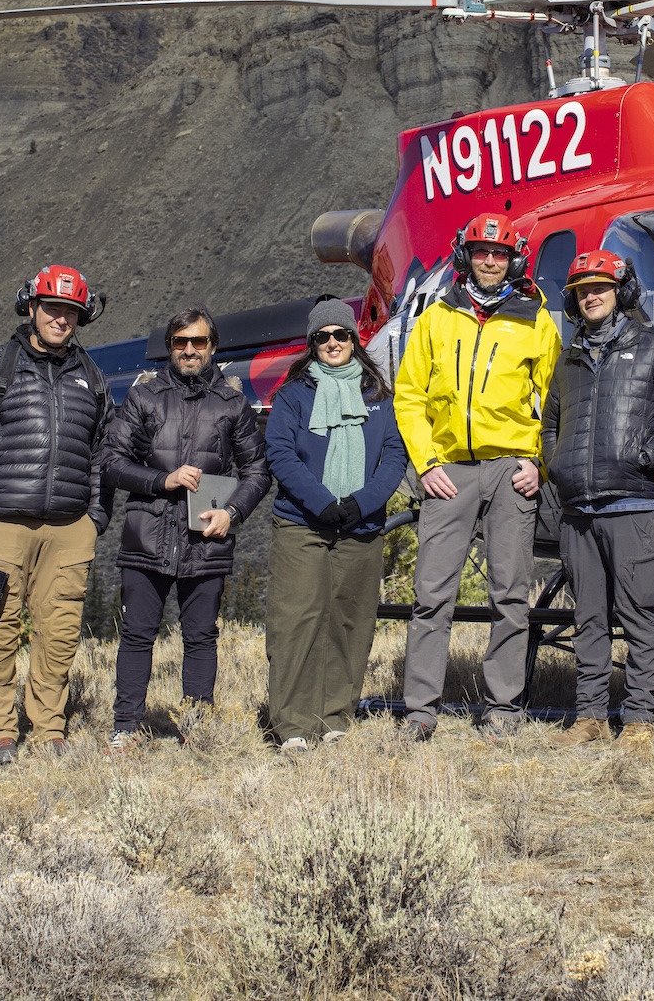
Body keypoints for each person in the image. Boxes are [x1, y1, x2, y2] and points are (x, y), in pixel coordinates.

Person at [392, 212, 563, 740]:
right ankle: (421, 709)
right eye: (482, 252)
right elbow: (409, 396)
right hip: (449, 471)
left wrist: (538, 462)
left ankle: (504, 708)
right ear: (465, 256)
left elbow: (555, 403)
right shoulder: (437, 318)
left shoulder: (536, 321)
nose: (490, 261)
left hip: (511, 470)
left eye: (500, 253)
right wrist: (427, 463)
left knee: (510, 594)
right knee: (431, 594)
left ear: (514, 261)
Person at [0, 265, 111, 765]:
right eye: (53, 308)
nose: (62, 319)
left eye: (71, 312)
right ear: (32, 308)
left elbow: (104, 452)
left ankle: (49, 730)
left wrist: (95, 518)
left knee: (59, 636)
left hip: (70, 530)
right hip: (4, 526)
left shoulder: (91, 377)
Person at [540, 252, 654, 748]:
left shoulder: (653, 352)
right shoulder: (568, 360)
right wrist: (557, 465)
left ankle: (641, 718)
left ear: (620, 293)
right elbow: (549, 426)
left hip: (632, 505)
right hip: (578, 511)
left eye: (600, 288)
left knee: (638, 613)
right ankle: (590, 716)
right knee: (588, 616)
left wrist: (648, 457)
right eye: (582, 290)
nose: (592, 296)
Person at [100, 308, 269, 749]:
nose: (189, 349)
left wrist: (232, 513)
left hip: (206, 537)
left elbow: (257, 471)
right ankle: (125, 728)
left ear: (212, 346)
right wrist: (163, 480)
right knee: (137, 634)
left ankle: (196, 730)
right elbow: (111, 462)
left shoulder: (233, 404)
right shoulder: (144, 397)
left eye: (198, 341)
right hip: (148, 533)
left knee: (201, 637)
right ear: (169, 347)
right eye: (180, 341)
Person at [261, 300, 409, 753]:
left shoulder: (379, 396)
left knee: (350, 620)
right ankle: (293, 724)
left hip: (361, 524)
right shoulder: (293, 396)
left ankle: (335, 716)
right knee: (296, 618)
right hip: (303, 523)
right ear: (312, 343)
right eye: (322, 336)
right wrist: (322, 502)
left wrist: (363, 503)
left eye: (340, 335)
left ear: (353, 340)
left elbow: (394, 456)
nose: (332, 343)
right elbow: (280, 453)